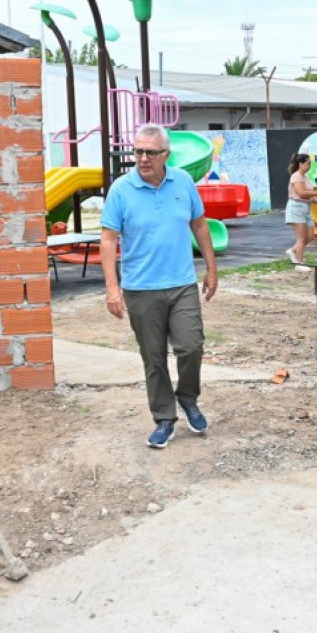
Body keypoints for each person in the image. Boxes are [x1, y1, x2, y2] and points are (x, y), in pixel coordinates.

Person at [100, 123, 218, 449]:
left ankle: (188, 398)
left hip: (182, 284)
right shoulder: (121, 190)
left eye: (150, 152)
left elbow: (200, 225)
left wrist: (211, 269)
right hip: (140, 288)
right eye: (137, 151)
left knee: (191, 345)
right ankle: (164, 418)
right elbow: (108, 240)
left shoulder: (183, 182)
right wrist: (113, 288)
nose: (142, 158)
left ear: (166, 154)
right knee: (153, 358)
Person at [284, 152, 317, 265]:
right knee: (301, 238)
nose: (310, 166)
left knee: (310, 236)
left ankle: (293, 251)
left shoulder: (305, 177)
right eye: (308, 163)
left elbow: (307, 194)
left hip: (306, 207)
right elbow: (301, 193)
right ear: (301, 164)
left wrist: (315, 199)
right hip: (296, 207)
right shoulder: (296, 176)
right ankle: (299, 263)